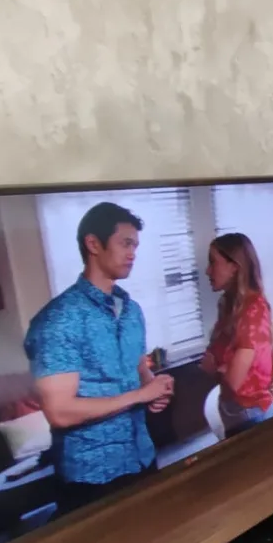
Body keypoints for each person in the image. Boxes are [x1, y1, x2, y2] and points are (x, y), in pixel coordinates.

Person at [25, 202, 174, 514]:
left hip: (142, 457)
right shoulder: (59, 319)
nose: (133, 253)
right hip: (92, 476)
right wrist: (140, 396)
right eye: (126, 243)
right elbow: (60, 412)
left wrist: (155, 390)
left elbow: (139, 370)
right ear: (93, 244)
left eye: (135, 246)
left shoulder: (132, 311)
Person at [200, 233, 273, 437]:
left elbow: (233, 381)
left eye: (213, 262)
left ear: (234, 266)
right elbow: (214, 357)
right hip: (234, 412)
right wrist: (220, 367)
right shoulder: (228, 306)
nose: (207, 271)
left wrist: (215, 369)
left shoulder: (253, 309)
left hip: (250, 414)